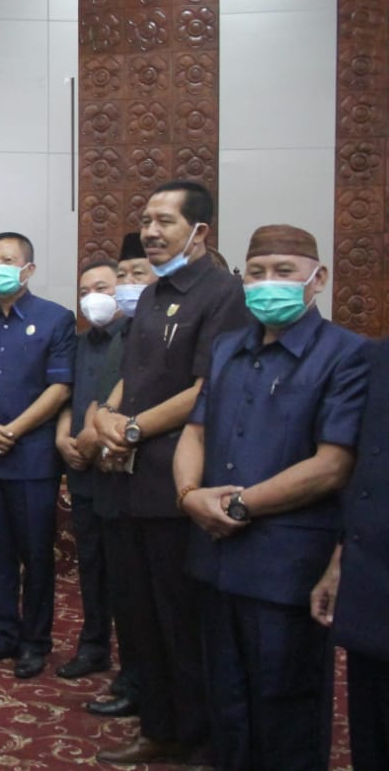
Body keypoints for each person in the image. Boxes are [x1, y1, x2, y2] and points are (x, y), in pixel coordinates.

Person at [172, 224, 368, 770]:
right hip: (214, 556)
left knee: (286, 706)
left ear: (317, 279)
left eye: (284, 272)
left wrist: (239, 506)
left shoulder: (349, 355)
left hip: (287, 566)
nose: (268, 283)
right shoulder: (227, 347)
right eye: (256, 273)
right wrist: (188, 496)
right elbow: (195, 432)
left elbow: (333, 465)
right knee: (226, 700)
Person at [94, 181, 252, 765]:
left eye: (165, 221)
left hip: (178, 484)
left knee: (183, 620)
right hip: (130, 481)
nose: (151, 232)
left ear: (199, 231)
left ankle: (198, 739)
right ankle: (158, 727)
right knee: (141, 618)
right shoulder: (153, 294)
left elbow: (208, 388)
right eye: (146, 221)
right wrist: (108, 420)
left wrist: (133, 429)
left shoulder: (223, 294)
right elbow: (132, 376)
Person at [0, 232, 75, 679]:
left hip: (33, 458)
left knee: (36, 552)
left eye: (8, 260)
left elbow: (60, 387)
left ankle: (35, 642)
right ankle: (3, 634)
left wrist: (13, 431)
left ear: (29, 269)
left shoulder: (56, 319)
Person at [83, 231, 154, 718]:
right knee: (123, 589)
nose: (127, 284)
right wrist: (95, 431)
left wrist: (111, 431)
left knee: (146, 595)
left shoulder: (160, 333)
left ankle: (147, 684)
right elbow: (101, 397)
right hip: (108, 476)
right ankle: (131, 677)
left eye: (136, 275)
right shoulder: (120, 334)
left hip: (146, 477)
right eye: (122, 275)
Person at [312, 337, 389, 771]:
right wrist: (340, 561)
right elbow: (362, 470)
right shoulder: (376, 357)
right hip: (372, 579)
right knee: (370, 729)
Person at [53, 258, 125, 683]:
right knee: (92, 565)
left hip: (120, 471)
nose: (92, 298)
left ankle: (134, 663)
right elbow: (67, 396)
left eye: (102, 288)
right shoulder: (78, 343)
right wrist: (64, 437)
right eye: (84, 292)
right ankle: (93, 645)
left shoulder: (135, 340)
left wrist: (95, 437)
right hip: (82, 472)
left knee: (125, 573)